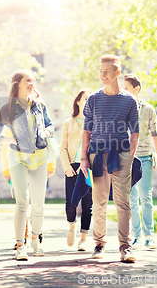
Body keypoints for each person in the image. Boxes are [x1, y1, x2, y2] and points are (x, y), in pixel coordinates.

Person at [0, 69, 56, 261]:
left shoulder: (39, 105)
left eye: (33, 80)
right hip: (17, 157)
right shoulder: (7, 109)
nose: (32, 83)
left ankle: (35, 239)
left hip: (40, 157)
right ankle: (20, 245)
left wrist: (46, 133)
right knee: (22, 202)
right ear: (17, 83)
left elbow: (51, 125)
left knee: (38, 205)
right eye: (28, 80)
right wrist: (10, 141)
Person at [79, 55, 139, 263]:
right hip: (97, 153)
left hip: (121, 154)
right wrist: (84, 157)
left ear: (117, 73)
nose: (102, 74)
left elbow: (135, 131)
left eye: (106, 71)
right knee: (99, 201)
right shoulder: (94, 99)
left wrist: (130, 155)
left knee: (123, 202)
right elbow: (86, 129)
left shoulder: (129, 100)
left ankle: (125, 247)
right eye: (100, 71)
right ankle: (99, 244)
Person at [122, 74, 157, 250]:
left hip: (145, 156)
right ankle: (136, 236)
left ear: (136, 89)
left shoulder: (148, 109)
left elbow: (155, 133)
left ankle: (149, 236)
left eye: (127, 88)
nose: (123, 91)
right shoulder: (121, 108)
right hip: (127, 158)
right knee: (132, 198)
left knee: (146, 196)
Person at [60, 88, 93, 251]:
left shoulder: (94, 122)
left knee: (88, 205)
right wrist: (67, 167)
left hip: (88, 167)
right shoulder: (68, 123)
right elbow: (63, 148)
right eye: (85, 98)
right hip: (72, 167)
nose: (87, 101)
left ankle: (84, 239)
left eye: (89, 99)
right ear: (78, 101)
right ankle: (72, 227)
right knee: (71, 203)